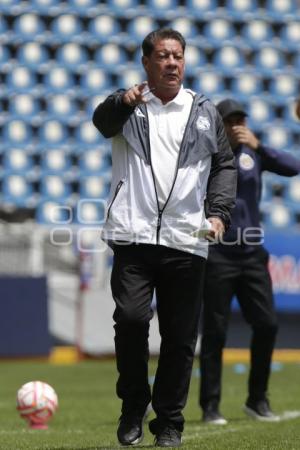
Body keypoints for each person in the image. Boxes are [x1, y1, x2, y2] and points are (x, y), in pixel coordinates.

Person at [92, 29, 237, 447]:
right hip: (133, 236)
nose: (172, 62)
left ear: (184, 62)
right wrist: (122, 102)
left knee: (179, 338)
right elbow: (102, 123)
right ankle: (133, 405)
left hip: (187, 240)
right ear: (147, 63)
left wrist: (218, 213)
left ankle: (170, 421)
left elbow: (225, 166)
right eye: (162, 55)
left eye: (178, 56)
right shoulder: (127, 107)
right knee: (133, 321)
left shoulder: (204, 111)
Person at [199, 98, 300, 425]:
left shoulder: (253, 154)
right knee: (215, 331)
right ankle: (210, 405)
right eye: (230, 121)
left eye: (240, 121)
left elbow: (293, 166)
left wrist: (261, 146)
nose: (236, 126)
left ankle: (257, 399)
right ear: (219, 125)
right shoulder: (208, 155)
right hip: (218, 254)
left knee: (267, 324)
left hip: (252, 254)